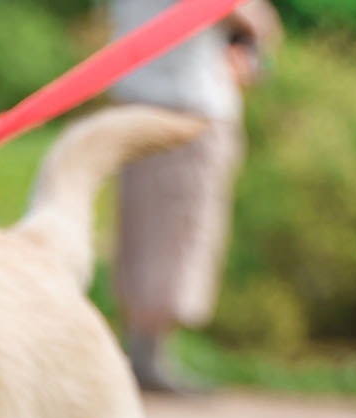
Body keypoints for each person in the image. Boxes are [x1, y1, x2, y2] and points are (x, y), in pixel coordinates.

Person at [109, 0, 281, 393]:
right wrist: (257, 23)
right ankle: (149, 359)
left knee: (143, 230)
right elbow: (242, 15)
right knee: (177, 233)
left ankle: (142, 354)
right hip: (187, 103)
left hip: (141, 91)